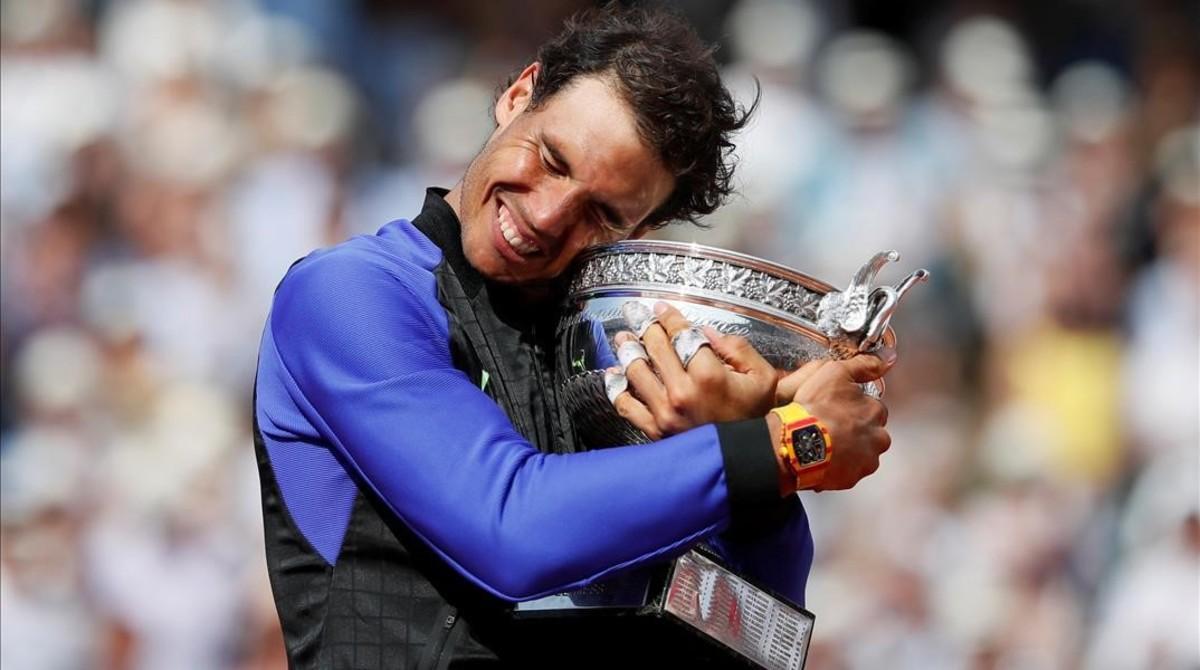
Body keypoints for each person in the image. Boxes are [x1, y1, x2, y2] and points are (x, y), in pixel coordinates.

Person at [252, 6, 893, 668]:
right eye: (552, 158)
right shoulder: (348, 294)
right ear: (518, 94)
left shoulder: (626, 364)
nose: (546, 214)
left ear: (637, 234)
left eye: (602, 213)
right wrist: (789, 443)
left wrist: (756, 487)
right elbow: (511, 533)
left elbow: (757, 646)